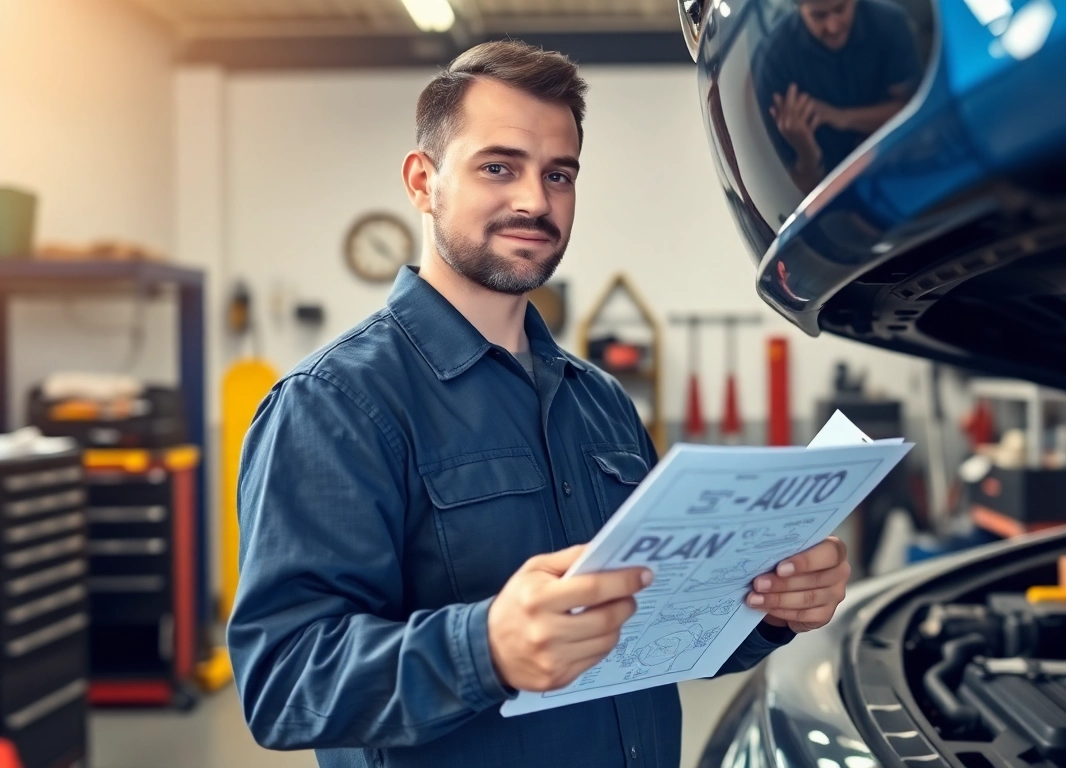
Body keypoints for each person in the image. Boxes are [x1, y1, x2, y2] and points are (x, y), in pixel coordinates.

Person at [227, 40, 853, 768]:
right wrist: (485, 647)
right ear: (423, 181)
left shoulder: (603, 404)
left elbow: (652, 629)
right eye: (499, 167)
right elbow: (282, 683)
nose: (535, 200)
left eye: (559, 174)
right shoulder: (334, 405)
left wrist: (769, 609)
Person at [755, 0, 924, 190]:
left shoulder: (890, 22)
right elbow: (799, 193)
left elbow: (915, 110)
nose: (833, 27)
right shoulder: (774, 63)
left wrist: (840, 117)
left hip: (901, 162)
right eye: (819, 16)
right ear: (798, 7)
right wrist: (806, 151)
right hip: (834, 192)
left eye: (840, 9)